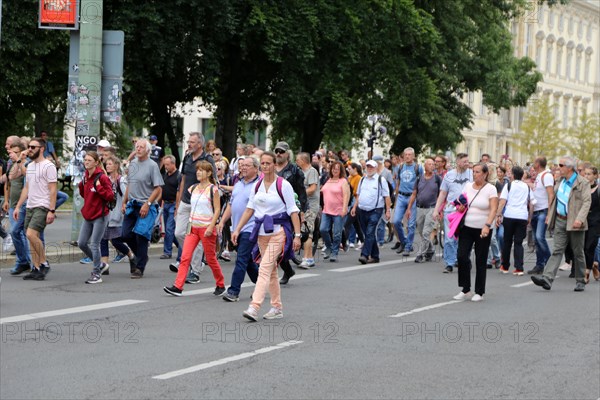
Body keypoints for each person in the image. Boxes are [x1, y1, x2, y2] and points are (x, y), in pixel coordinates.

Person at [231, 152, 301, 321]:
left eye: (268, 163)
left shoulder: (283, 185)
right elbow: (250, 209)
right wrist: (237, 229)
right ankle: (276, 307)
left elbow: (293, 211)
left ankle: (254, 307)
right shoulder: (257, 186)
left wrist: (297, 235)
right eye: (262, 163)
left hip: (279, 231)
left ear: (274, 165)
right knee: (271, 273)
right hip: (261, 232)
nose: (265, 166)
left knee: (264, 268)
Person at [164, 161, 226, 296]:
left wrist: (211, 227)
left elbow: (217, 210)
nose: (198, 172)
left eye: (202, 170)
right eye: (197, 170)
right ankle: (178, 286)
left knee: (210, 259)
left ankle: (220, 283)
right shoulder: (192, 188)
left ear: (209, 173)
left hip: (206, 228)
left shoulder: (213, 189)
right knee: (185, 257)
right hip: (192, 227)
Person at [531, 156, 591, 292]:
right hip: (560, 220)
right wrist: (550, 215)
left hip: (575, 222)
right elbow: (554, 199)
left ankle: (581, 279)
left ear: (570, 168)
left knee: (578, 251)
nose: (558, 167)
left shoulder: (582, 183)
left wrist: (580, 219)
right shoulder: (559, 180)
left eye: (561, 165)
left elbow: (587, 202)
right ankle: (547, 278)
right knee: (557, 250)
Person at [171, 132, 216, 282]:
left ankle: (195, 270)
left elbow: (213, 182)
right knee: (178, 233)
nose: (189, 144)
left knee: (194, 236)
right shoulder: (187, 158)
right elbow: (183, 180)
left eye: (192, 142)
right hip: (186, 201)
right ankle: (193, 259)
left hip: (200, 204)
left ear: (200, 144)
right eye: (188, 141)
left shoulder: (208, 159)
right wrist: (178, 204)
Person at [453, 163, 498, 302]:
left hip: (482, 229)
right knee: (461, 256)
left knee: (480, 259)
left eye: (478, 172)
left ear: (485, 174)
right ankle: (466, 289)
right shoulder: (467, 186)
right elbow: (462, 203)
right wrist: (460, 208)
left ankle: (479, 292)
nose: (475, 174)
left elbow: (493, 209)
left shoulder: (491, 189)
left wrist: (487, 225)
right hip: (466, 227)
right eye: (474, 171)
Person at [13, 137, 57, 281]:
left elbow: (53, 189)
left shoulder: (48, 166)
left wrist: (51, 210)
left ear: (42, 149)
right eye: (29, 146)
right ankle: (36, 268)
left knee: (31, 234)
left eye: (33, 147)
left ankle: (44, 263)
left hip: (43, 205)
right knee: (31, 237)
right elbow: (27, 187)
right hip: (30, 205)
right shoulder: (30, 165)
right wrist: (18, 206)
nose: (29, 149)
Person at [217, 156, 260, 302]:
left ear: (255, 168)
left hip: (250, 227)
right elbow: (231, 204)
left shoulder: (258, 185)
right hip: (236, 228)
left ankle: (233, 291)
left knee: (241, 259)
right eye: (242, 165)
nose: (243, 168)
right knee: (247, 261)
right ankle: (262, 283)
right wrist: (222, 221)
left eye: (247, 165)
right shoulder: (239, 184)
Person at [121, 139, 164, 278]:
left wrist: (148, 204)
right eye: (136, 146)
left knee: (141, 235)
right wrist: (124, 201)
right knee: (125, 234)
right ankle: (142, 256)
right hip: (132, 204)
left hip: (146, 204)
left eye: (141, 147)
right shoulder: (133, 164)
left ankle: (140, 267)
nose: (138, 149)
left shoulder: (152, 166)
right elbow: (129, 185)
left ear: (147, 150)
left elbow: (158, 188)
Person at [77, 152, 115, 284]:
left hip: (100, 215)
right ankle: (100, 264)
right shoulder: (86, 176)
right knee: (81, 243)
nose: (86, 162)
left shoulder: (102, 177)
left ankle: (96, 274)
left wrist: (98, 187)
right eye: (85, 160)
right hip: (88, 214)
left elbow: (110, 196)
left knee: (94, 244)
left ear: (96, 162)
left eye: (89, 160)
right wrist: (82, 185)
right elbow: (85, 195)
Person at [432, 153, 473, 273]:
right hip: (451, 210)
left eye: (468, 161)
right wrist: (436, 210)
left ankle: (463, 259)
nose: (467, 163)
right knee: (450, 238)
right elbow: (443, 194)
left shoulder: (471, 174)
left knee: (464, 238)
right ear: (458, 162)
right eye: (465, 161)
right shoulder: (449, 175)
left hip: (467, 211)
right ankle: (449, 263)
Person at [274, 141, 307, 284]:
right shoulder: (270, 168)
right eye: (277, 151)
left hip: (289, 211)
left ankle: (285, 271)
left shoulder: (294, 170)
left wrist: (302, 212)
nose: (278, 154)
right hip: (272, 210)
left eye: (281, 151)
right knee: (275, 244)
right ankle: (288, 270)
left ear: (288, 154)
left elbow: (301, 192)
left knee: (281, 245)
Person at [99, 156, 136, 271]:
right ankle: (104, 266)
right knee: (103, 239)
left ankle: (131, 255)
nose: (107, 166)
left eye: (110, 164)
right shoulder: (106, 179)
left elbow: (128, 196)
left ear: (116, 166)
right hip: (106, 214)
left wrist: (124, 205)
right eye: (107, 164)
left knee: (116, 241)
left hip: (117, 215)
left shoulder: (121, 180)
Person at [496, 166, 534, 276]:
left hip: (509, 215)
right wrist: (529, 217)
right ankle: (519, 267)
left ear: (513, 175)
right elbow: (531, 203)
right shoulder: (527, 187)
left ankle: (505, 265)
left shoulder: (508, 185)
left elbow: (502, 201)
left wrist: (498, 214)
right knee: (518, 242)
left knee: (507, 242)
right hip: (522, 216)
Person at [351, 160, 391, 264]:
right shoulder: (363, 179)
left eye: (372, 167)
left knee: (369, 232)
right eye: (368, 167)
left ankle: (364, 255)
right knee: (368, 233)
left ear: (376, 168)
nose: (369, 169)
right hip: (362, 210)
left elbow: (387, 196)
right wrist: (354, 207)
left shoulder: (380, 180)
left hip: (376, 210)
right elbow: (358, 195)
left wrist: (388, 211)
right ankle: (375, 256)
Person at [4, 141, 32, 275]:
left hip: (22, 205)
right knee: (16, 233)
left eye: (15, 152)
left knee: (18, 233)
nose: (12, 155)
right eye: (11, 152)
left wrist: (19, 160)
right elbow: (9, 179)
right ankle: (24, 261)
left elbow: (27, 176)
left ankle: (26, 261)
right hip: (13, 204)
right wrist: (6, 199)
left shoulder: (26, 163)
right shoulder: (13, 163)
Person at [406, 157, 441, 263]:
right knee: (421, 232)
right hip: (419, 208)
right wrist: (409, 208)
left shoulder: (437, 179)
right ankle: (430, 250)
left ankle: (420, 254)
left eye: (433, 164)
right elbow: (414, 194)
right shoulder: (419, 178)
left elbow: (442, 195)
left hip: (432, 208)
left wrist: (439, 210)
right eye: (429, 164)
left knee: (426, 233)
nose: (432, 166)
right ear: (425, 166)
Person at [391, 147, 423, 256]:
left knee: (411, 224)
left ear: (413, 156)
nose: (407, 156)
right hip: (401, 196)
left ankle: (408, 247)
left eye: (410, 154)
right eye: (406, 155)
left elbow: (422, 183)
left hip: (412, 197)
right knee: (395, 221)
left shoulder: (418, 168)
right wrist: (396, 199)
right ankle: (404, 241)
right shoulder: (400, 167)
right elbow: (397, 184)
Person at [528, 156, 555, 275]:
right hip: (536, 211)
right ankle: (539, 265)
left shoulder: (547, 175)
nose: (533, 164)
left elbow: (550, 194)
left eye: (534, 162)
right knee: (536, 240)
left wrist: (549, 213)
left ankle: (550, 263)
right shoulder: (539, 175)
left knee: (540, 237)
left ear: (538, 164)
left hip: (543, 211)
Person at [320, 160, 350, 262]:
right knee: (323, 229)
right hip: (326, 210)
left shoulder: (343, 181)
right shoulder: (328, 180)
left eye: (337, 169)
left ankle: (334, 252)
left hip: (338, 211)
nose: (335, 170)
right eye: (333, 168)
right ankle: (329, 246)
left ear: (341, 170)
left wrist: (345, 208)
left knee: (337, 233)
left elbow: (346, 195)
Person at [296, 152, 319, 269]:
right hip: (303, 205)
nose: (296, 162)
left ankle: (305, 259)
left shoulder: (312, 171)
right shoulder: (301, 172)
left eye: (298, 160)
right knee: (305, 230)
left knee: (307, 231)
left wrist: (300, 194)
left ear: (304, 160)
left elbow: (313, 188)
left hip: (311, 205)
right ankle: (310, 258)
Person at [160, 155, 181, 260]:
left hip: (173, 204)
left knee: (169, 228)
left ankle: (167, 252)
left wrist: (177, 206)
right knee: (169, 230)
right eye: (165, 165)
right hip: (166, 204)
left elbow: (179, 192)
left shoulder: (179, 176)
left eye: (167, 165)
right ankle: (180, 244)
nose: (166, 167)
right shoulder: (165, 175)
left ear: (173, 164)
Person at [583, 166, 599, 283]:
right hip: (583, 221)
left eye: (589, 174)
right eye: (585, 174)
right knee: (582, 248)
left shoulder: (598, 190)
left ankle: (586, 273)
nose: (586, 176)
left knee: (590, 246)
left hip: (596, 222)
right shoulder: (581, 189)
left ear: (595, 176)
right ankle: (593, 265)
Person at [344, 162, 364, 249]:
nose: (348, 171)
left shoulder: (359, 178)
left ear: (355, 169)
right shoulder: (350, 177)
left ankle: (344, 242)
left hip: (355, 203)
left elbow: (356, 192)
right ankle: (363, 241)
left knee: (347, 223)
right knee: (356, 224)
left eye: (350, 169)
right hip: (350, 202)